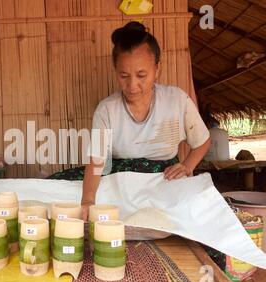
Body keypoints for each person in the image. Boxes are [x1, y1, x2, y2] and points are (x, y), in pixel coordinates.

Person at [48, 22, 211, 220]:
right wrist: (88, 201)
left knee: (194, 214)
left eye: (141, 75)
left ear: (157, 69)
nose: (132, 85)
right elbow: (97, 162)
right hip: (118, 179)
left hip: (162, 179)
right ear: (115, 70)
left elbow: (202, 141)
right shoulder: (107, 109)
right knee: (53, 190)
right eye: (124, 76)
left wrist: (187, 166)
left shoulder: (176, 100)